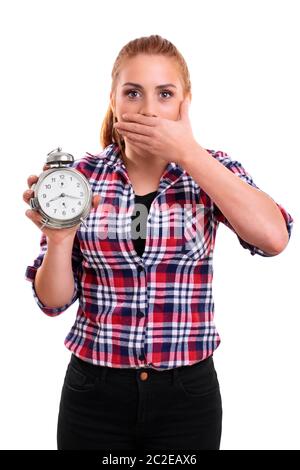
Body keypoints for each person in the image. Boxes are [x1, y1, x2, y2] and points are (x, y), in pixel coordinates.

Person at [23, 35, 294, 451]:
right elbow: (52, 302)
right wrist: (59, 241)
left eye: (164, 94)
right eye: (133, 93)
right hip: (93, 392)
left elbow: (274, 238)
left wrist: (188, 153)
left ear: (185, 103)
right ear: (113, 100)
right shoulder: (79, 179)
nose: (148, 108)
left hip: (187, 396)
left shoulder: (211, 171)